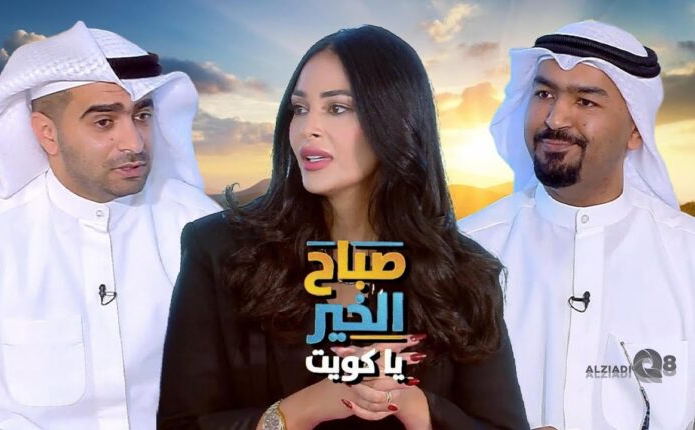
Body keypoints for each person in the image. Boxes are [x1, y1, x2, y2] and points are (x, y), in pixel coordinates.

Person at [158, 25, 529, 430]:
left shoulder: (463, 271)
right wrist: (302, 410)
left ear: (395, 120)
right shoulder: (220, 249)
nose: (308, 128)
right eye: (300, 108)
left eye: (337, 108)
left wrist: (416, 407)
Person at [0, 21, 221, 429]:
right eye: (104, 122)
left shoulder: (195, 222)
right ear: (47, 133)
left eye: (142, 115)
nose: (134, 142)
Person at [459, 20, 695, 429]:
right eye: (544, 94)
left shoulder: (687, 257)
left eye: (585, 101)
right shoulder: (465, 254)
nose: (555, 118)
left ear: (635, 130)